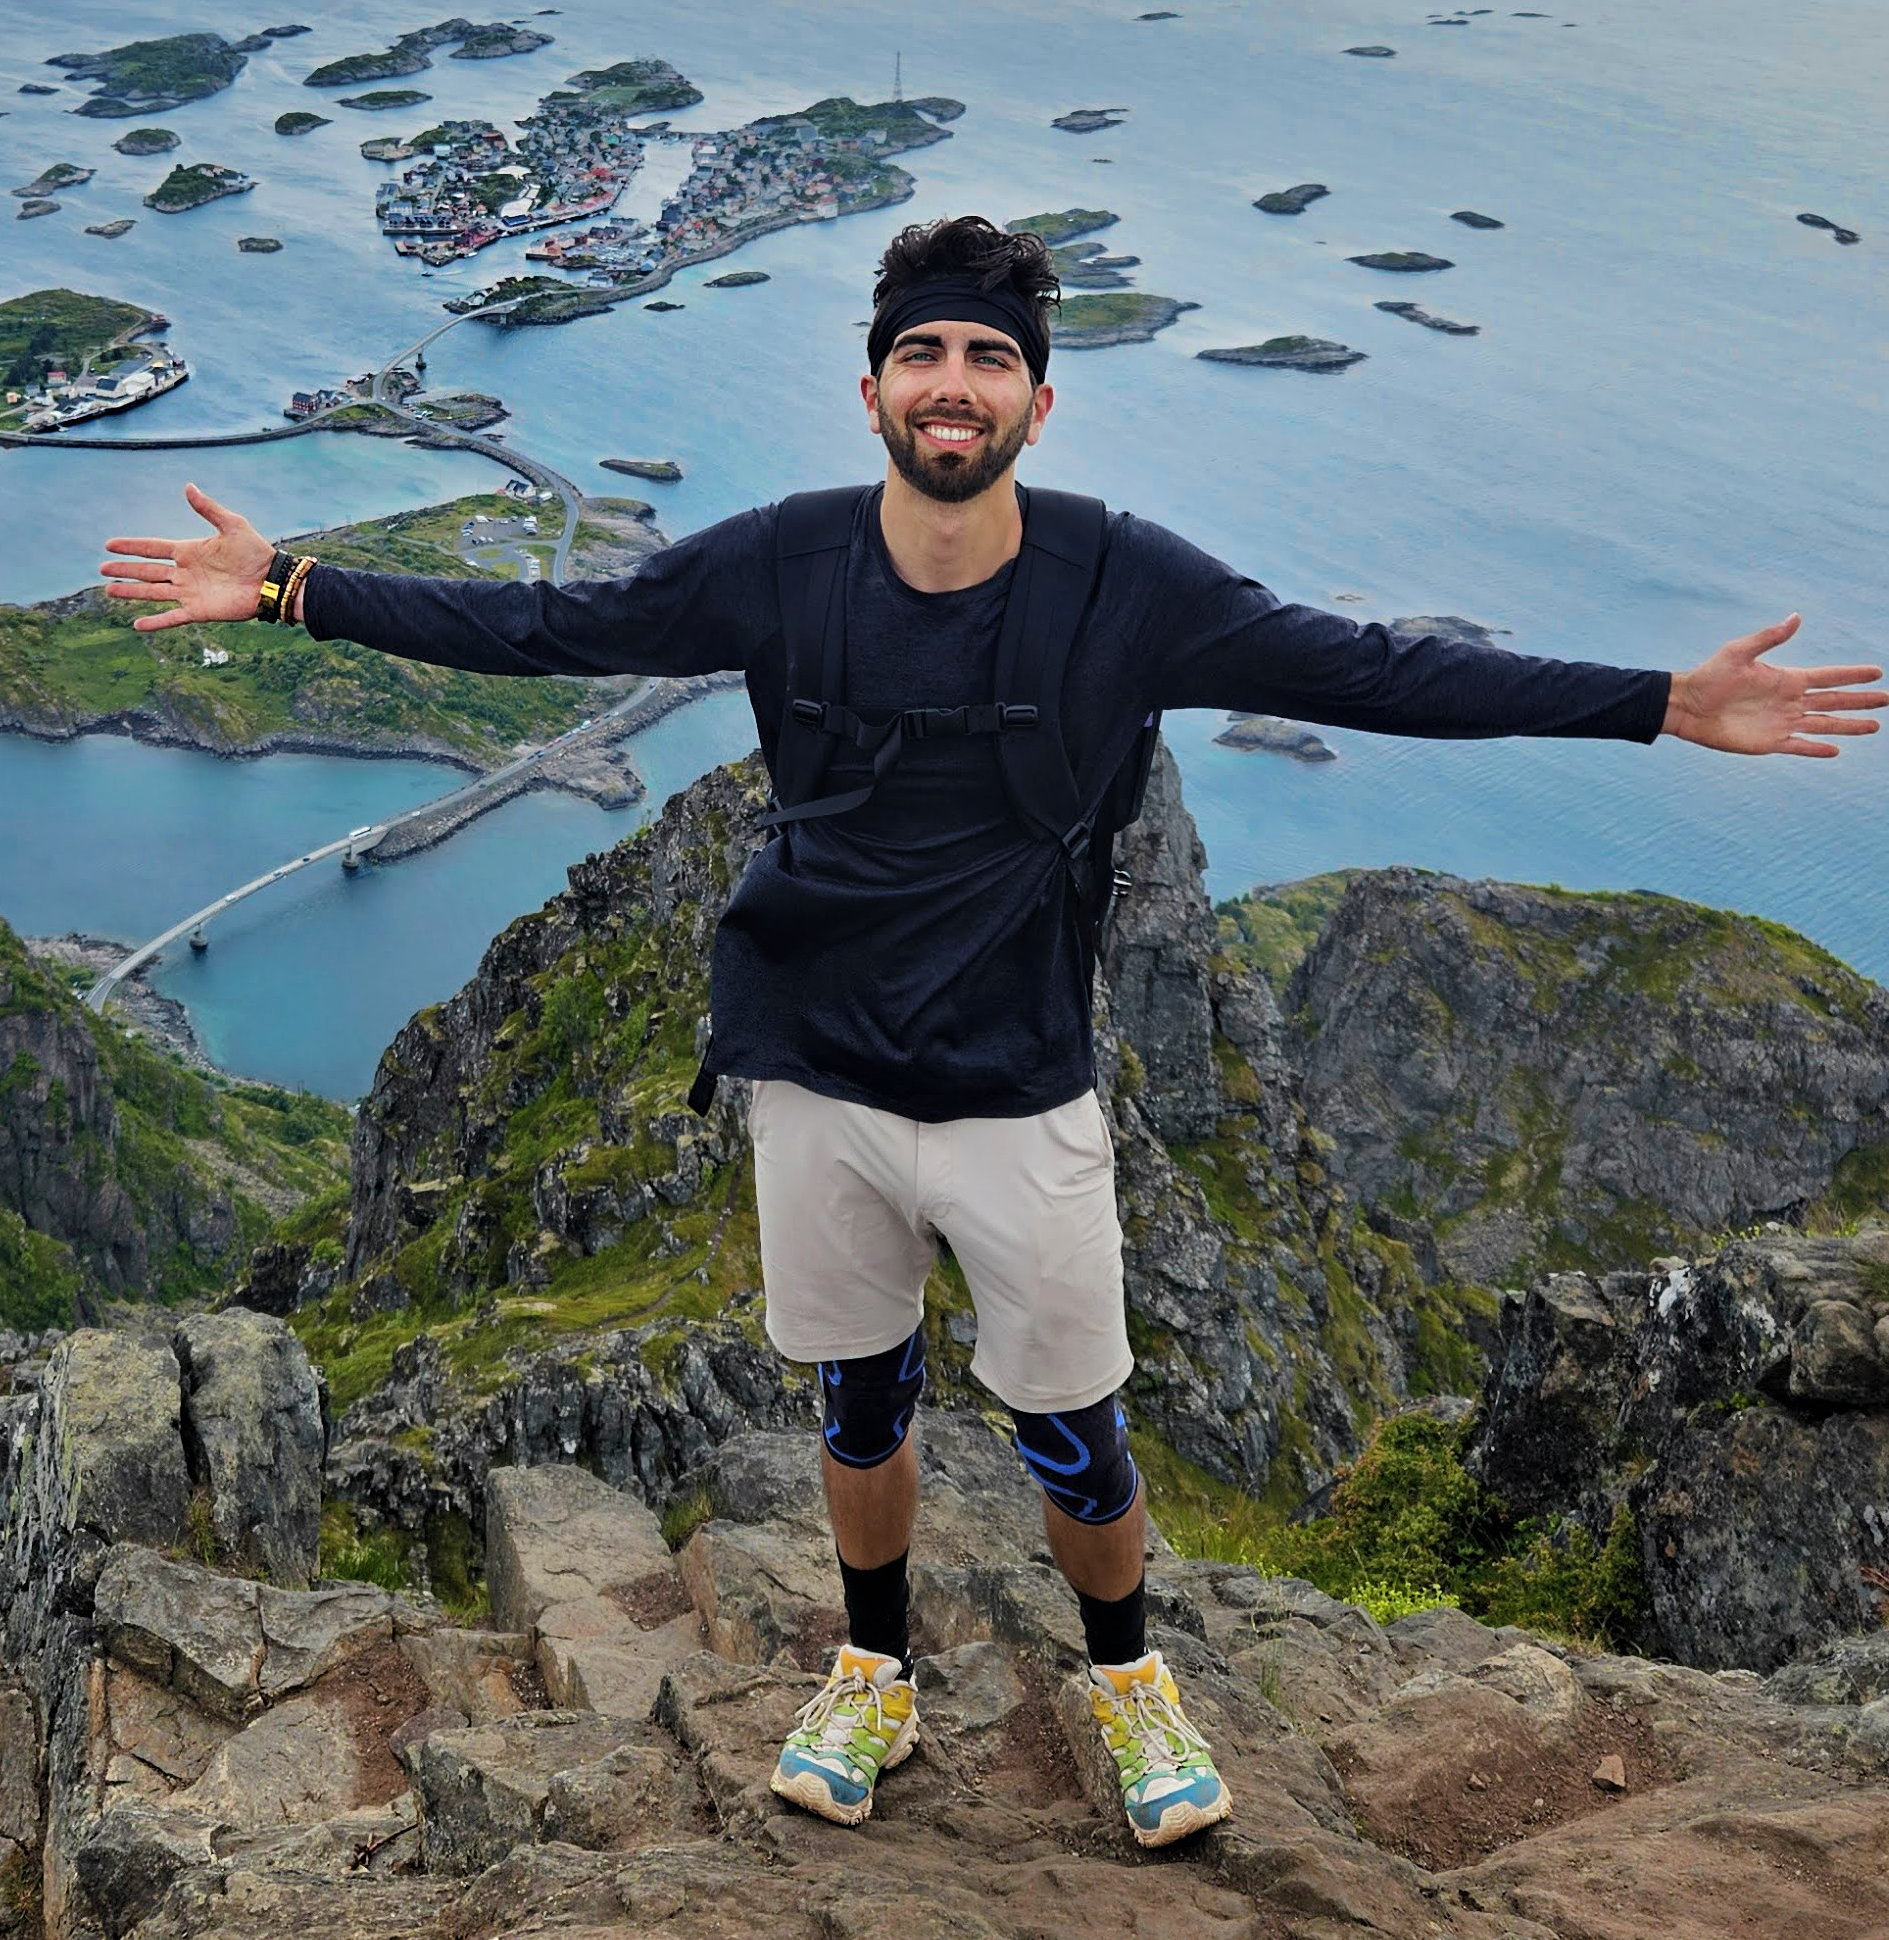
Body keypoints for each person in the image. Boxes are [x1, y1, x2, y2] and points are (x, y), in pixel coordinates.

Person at [101, 212, 1883, 1853]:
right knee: (858, 1400)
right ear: (873, 387)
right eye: (923, 354)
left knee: (1074, 1427)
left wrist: (1659, 704)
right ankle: (873, 1668)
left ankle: (1129, 1681)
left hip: (1016, 1084)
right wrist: (290, 584)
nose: (952, 385)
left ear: (1039, 398)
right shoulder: (782, 562)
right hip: (815, 1060)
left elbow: (1374, 670)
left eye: (987, 358)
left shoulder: (1128, 586)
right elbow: (550, 627)